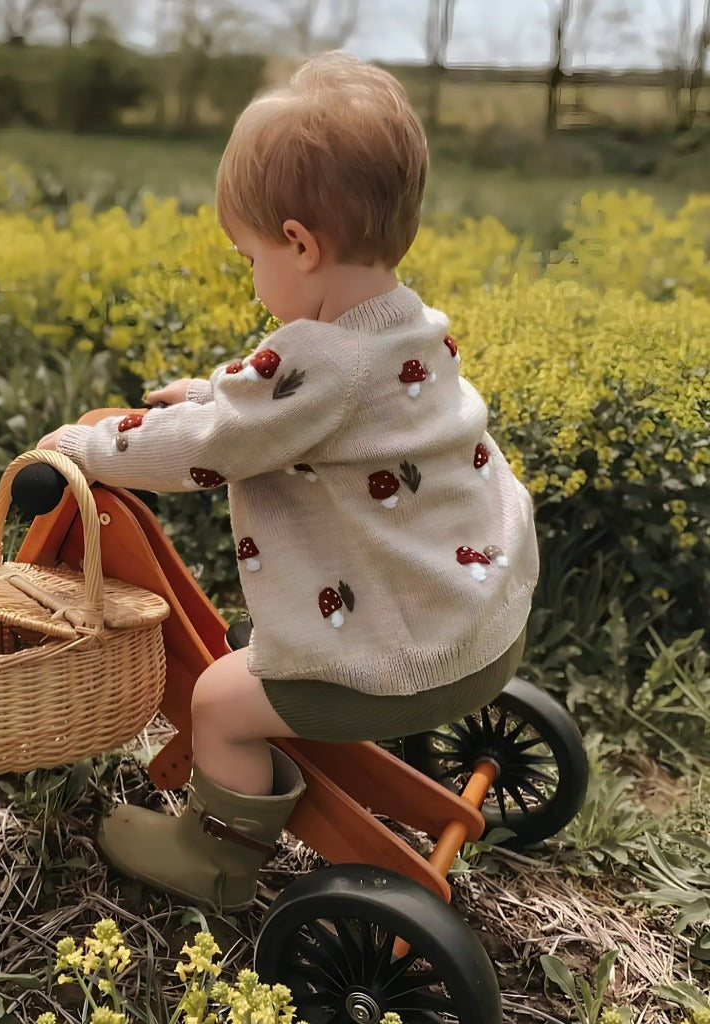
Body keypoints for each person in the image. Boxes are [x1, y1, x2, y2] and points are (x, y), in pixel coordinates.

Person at [36, 50, 539, 911]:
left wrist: (91, 451)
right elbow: (293, 413)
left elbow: (215, 447)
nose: (252, 275)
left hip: (404, 664)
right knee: (253, 663)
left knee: (221, 699)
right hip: (485, 626)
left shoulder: (321, 361)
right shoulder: (409, 328)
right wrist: (206, 393)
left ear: (300, 245)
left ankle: (215, 859)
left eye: (249, 256)